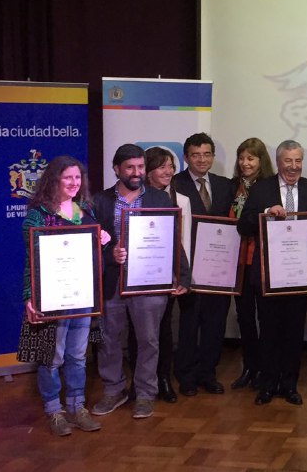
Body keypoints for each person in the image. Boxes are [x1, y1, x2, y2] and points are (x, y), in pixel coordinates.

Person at [91, 144, 190, 420]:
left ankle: (146, 393)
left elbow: (174, 238)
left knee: (149, 340)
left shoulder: (160, 199)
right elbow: (90, 243)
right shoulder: (99, 201)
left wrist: (183, 275)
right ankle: (114, 390)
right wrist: (110, 255)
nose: (137, 172)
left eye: (141, 167)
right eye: (130, 167)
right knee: (108, 340)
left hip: (150, 281)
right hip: (112, 281)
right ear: (116, 169)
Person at [18, 156, 109, 436]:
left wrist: (102, 239)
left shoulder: (86, 211)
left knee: (78, 356)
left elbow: (91, 252)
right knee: (52, 357)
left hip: (82, 297)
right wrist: (29, 298)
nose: (73, 183)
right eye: (67, 177)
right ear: (54, 179)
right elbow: (31, 262)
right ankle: (54, 411)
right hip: (52, 299)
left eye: (77, 177)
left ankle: (77, 407)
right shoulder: (38, 215)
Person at [237, 140, 307, 406]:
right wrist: (266, 213)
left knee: (293, 331)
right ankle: (268, 385)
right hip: (269, 275)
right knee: (269, 331)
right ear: (278, 162)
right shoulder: (262, 188)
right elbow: (243, 226)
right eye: (288, 161)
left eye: (298, 160)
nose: (293, 166)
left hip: (300, 273)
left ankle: (289, 385)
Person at [126, 147, 193, 404]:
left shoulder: (179, 199)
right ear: (148, 171)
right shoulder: (135, 197)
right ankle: (139, 381)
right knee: (138, 331)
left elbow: (180, 241)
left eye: (171, 166)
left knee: (163, 329)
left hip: (167, 273)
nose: (168, 171)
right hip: (137, 273)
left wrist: (181, 275)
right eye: (162, 167)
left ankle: (163, 378)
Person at [172, 132, 234, 395]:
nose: (202, 160)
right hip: (189, 268)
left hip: (219, 269)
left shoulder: (225, 185)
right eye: (196, 155)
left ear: (213, 157)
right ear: (186, 157)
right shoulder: (174, 184)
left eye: (207, 154)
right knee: (189, 323)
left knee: (215, 324)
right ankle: (186, 375)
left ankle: (208, 373)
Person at [229, 137, 275, 390]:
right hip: (236, 263)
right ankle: (249, 366)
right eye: (241, 158)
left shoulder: (271, 188)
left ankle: (266, 369)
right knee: (244, 317)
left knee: (266, 318)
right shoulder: (232, 187)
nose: (245, 163)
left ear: (261, 160)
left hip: (262, 262)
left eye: (251, 158)